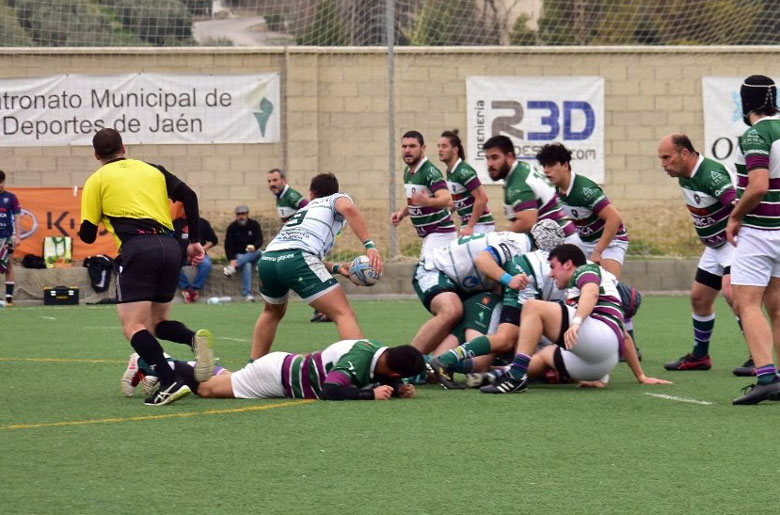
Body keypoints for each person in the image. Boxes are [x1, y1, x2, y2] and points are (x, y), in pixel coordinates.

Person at [78, 128, 215, 406]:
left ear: (96, 155)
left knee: (133, 325)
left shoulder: (96, 180)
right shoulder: (152, 170)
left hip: (138, 249)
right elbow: (189, 195)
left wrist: (91, 224)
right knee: (156, 323)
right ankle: (192, 339)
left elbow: (88, 234)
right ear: (124, 147)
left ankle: (169, 380)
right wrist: (195, 241)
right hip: (170, 248)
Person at [478, 244, 669, 394]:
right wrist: (641, 376)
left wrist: (576, 323)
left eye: (553, 267)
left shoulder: (584, 270)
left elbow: (591, 292)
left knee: (532, 306)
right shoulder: (582, 286)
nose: (551, 273)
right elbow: (624, 336)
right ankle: (497, 375)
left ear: (568, 264)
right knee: (545, 354)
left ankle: (515, 377)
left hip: (601, 341)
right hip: (599, 365)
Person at [251, 173, 383, 360]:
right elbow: (348, 208)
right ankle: (359, 366)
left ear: (312, 194)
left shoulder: (305, 211)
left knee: (272, 312)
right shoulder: (336, 198)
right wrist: (370, 246)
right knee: (343, 313)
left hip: (269, 260)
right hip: (296, 259)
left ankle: (252, 368)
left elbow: (301, 254)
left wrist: (337, 268)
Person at [657, 133, 751, 375]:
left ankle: (757, 358)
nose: (663, 164)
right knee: (699, 299)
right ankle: (700, 357)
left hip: (733, 243)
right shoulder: (685, 176)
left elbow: (736, 205)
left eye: (667, 157)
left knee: (733, 293)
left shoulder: (711, 174)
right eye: (661, 158)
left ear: (685, 153)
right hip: (715, 247)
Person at [126, 340, 425, 401]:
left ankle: (176, 362)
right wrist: (369, 395)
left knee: (224, 379)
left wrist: (397, 390)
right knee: (205, 390)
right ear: (396, 371)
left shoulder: (377, 350)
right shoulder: (359, 359)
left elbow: (378, 373)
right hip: (276, 377)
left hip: (281, 366)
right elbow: (330, 391)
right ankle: (155, 360)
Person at [727, 75, 780, 404]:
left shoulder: (756, 134)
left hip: (761, 231)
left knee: (745, 303)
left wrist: (735, 216)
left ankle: (766, 376)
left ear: (747, 104)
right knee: (778, 307)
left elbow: (758, 186)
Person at [410, 229, 536, 354]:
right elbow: (482, 260)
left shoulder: (523, 245)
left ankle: (436, 365)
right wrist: (509, 280)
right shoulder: (521, 245)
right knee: (451, 311)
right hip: (435, 268)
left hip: (463, 281)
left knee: (477, 316)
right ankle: (404, 364)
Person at [537, 143, 629, 279]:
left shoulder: (584, 191)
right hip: (585, 243)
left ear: (565, 165)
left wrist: (598, 251)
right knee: (574, 284)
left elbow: (614, 218)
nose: (546, 170)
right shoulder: (558, 190)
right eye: (544, 166)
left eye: (551, 165)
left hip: (611, 242)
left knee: (610, 286)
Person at [482, 135, 579, 243]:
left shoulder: (519, 182)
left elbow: (527, 222)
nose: (490, 164)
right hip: (562, 238)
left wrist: (500, 238)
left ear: (509, 157)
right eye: (487, 158)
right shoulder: (521, 169)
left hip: (561, 244)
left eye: (495, 157)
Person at [266, 168, 328, 323]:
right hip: (297, 242)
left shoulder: (291, 195)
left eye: (274, 180)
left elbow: (308, 206)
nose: (272, 184)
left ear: (283, 180)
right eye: (269, 181)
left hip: (307, 241)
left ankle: (325, 310)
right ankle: (322, 310)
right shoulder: (280, 197)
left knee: (316, 272)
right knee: (315, 272)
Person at [391, 130, 456, 257]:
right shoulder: (408, 172)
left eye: (412, 146)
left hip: (441, 232)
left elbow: (448, 199)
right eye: (404, 146)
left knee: (424, 272)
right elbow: (415, 202)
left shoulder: (429, 172)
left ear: (423, 148)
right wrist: (402, 214)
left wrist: (427, 201)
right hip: (430, 234)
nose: (407, 150)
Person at [438, 129, 495, 235]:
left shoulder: (463, 171)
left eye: (444, 146)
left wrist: (470, 226)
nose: (440, 150)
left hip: (481, 225)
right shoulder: (450, 171)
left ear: (455, 150)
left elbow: (482, 198)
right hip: (469, 224)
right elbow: (458, 198)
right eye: (439, 146)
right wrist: (446, 215)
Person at [173, 204, 218, 303]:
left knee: (206, 264)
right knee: (172, 264)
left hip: (199, 255)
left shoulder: (202, 223)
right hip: (181, 255)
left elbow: (213, 240)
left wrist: (203, 249)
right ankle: (186, 288)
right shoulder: (175, 223)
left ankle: (194, 289)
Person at [223, 205, 264, 302]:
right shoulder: (232, 227)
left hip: (253, 253)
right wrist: (231, 259)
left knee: (259, 251)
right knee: (247, 264)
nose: (241, 216)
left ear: (247, 214)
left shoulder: (254, 225)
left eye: (243, 214)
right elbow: (228, 245)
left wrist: (254, 246)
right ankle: (247, 294)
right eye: (239, 214)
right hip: (239, 255)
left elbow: (259, 240)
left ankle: (232, 267)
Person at [0, 170, 22, 306]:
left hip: (7, 237)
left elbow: (17, 217)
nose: (0, 185)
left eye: (1, 182)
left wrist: (18, 236)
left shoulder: (11, 197)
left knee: (9, 266)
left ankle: (8, 298)